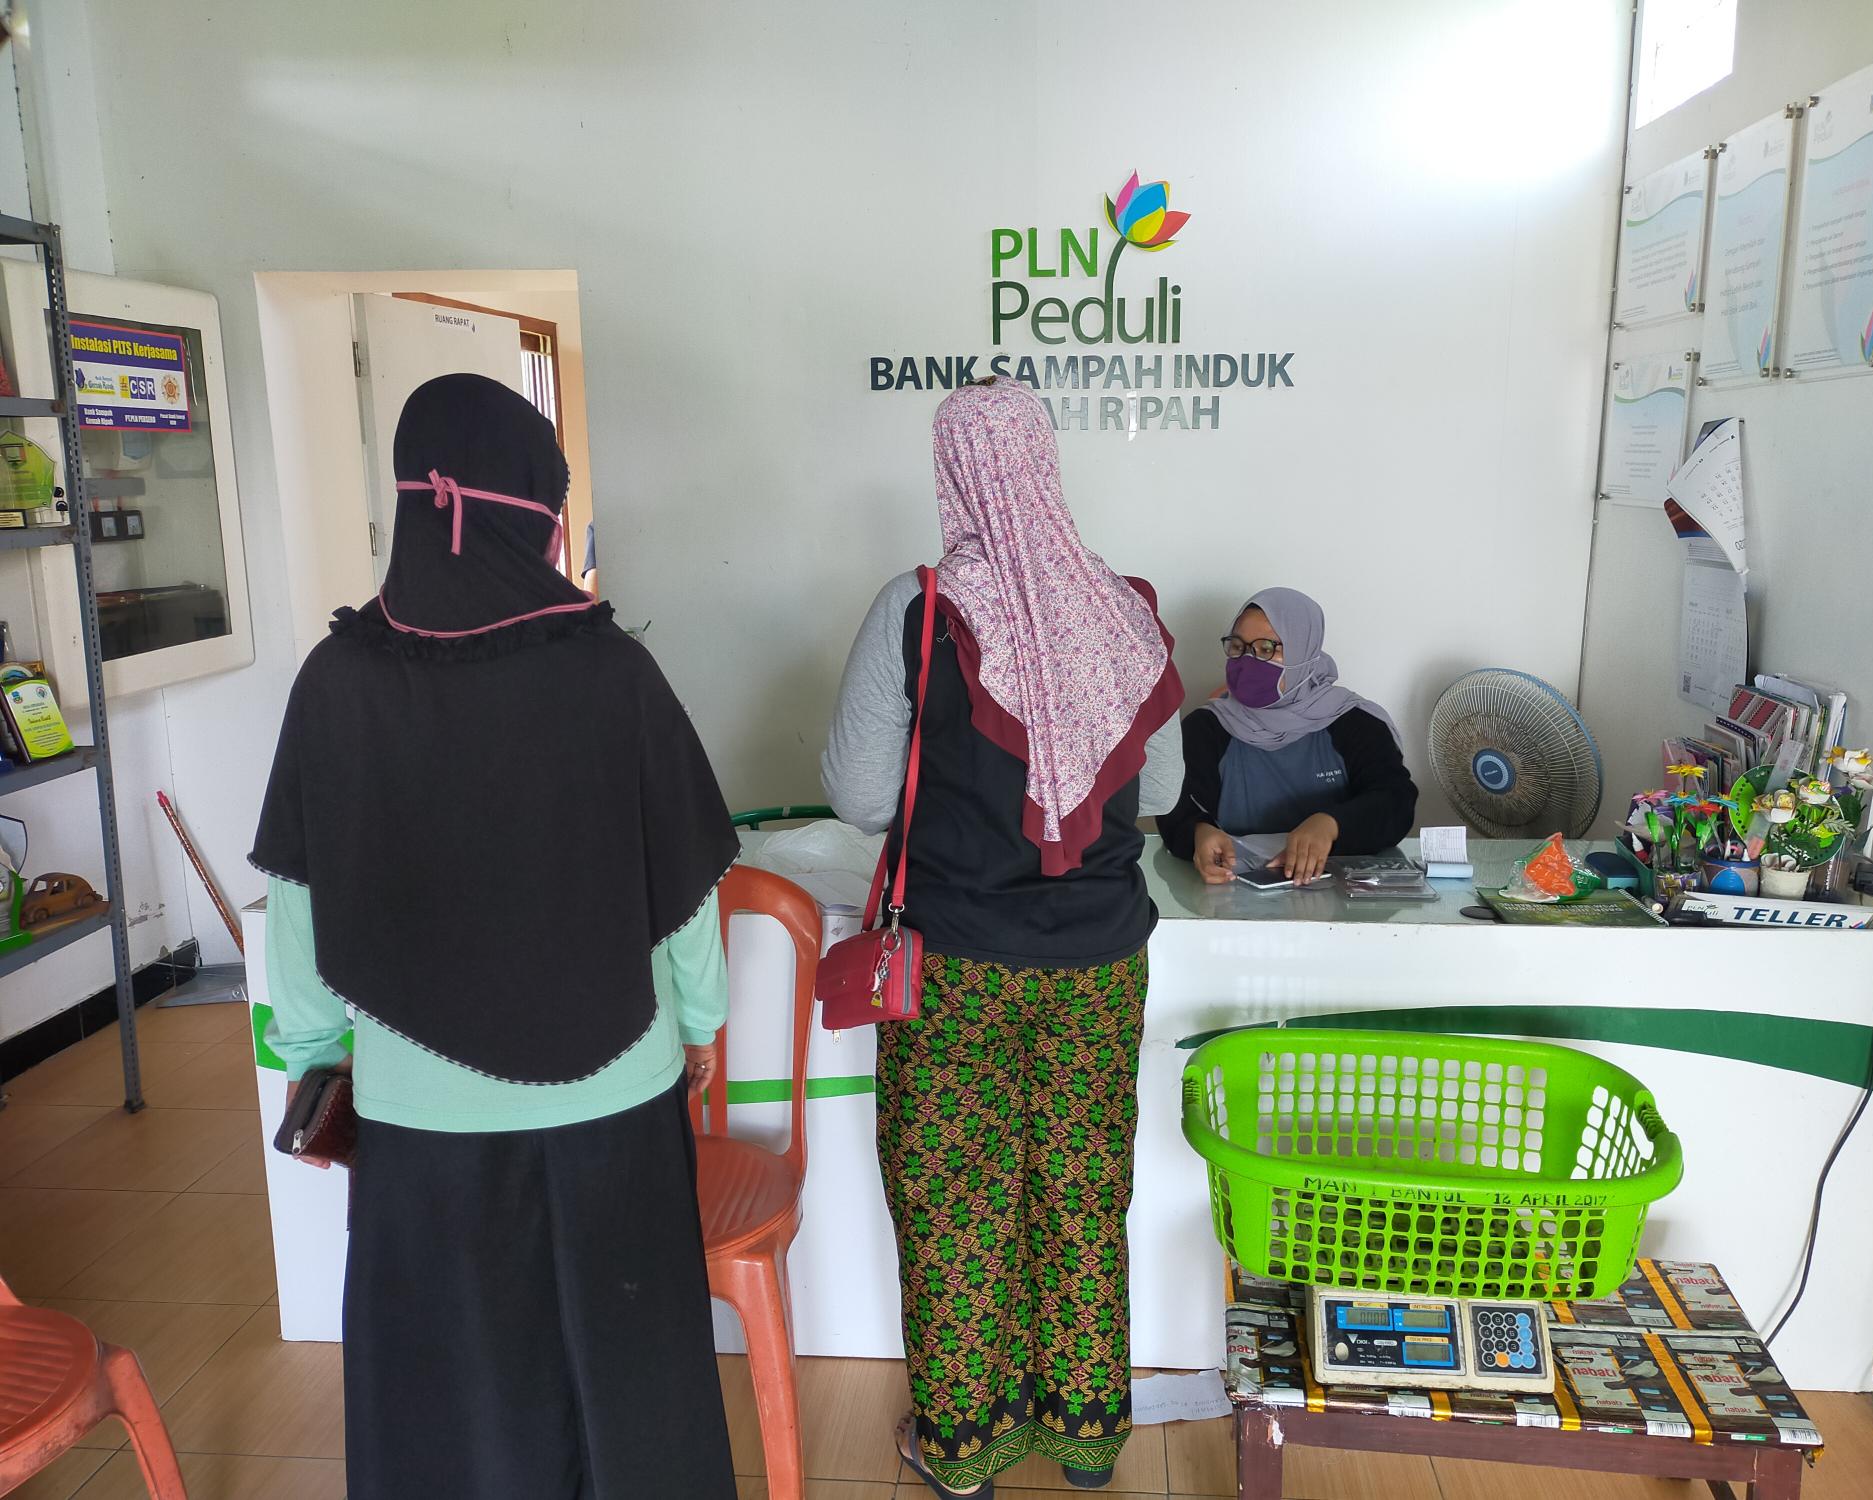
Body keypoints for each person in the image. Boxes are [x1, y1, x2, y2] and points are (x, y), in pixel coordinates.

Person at [250, 374, 737, 1500]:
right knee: (631, 1390)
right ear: (530, 511)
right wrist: (701, 1026)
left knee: (451, 1402)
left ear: (421, 505)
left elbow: (300, 904)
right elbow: (685, 890)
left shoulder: (338, 682)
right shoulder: (613, 672)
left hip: (419, 1117)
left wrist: (315, 1059)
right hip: (616, 1091)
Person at [822, 378, 1185, 1498]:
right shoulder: (1120, 605)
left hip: (957, 963)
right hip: (1097, 964)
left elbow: (860, 797)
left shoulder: (918, 607)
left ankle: (965, 1452)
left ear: (955, 472)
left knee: (953, 1198)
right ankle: (1082, 1442)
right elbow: (1156, 786)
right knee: (1079, 1189)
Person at [1159, 589, 1416, 885]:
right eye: (1238, 646)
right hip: (1232, 902)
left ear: (1304, 650)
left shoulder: (1355, 722)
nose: (1248, 659)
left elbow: (1395, 801)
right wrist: (1198, 833)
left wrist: (1332, 825)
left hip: (1345, 901)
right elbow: (1178, 808)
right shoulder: (1206, 727)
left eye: (1267, 648)